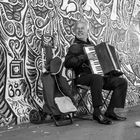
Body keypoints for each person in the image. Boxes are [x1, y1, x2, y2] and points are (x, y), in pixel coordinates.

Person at [64, 19, 128, 125]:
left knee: (121, 82)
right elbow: (67, 63)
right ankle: (97, 112)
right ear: (75, 31)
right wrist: (84, 56)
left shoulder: (93, 45)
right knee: (96, 78)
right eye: (78, 29)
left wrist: (111, 72)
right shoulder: (74, 47)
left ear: (87, 30)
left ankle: (111, 111)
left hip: (97, 78)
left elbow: (100, 66)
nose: (80, 31)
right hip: (82, 77)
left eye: (82, 28)